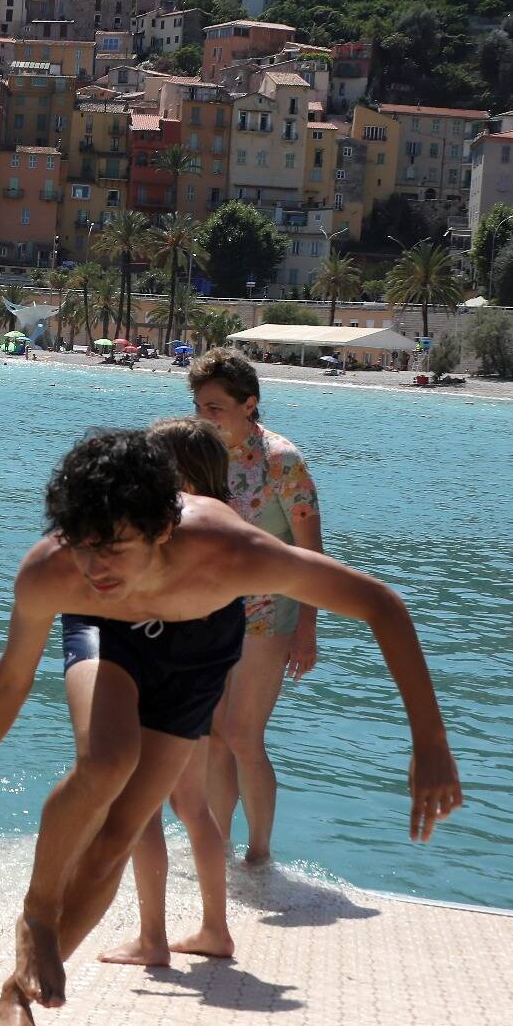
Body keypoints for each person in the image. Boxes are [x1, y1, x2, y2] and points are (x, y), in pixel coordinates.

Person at [0, 429, 461, 1026]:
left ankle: (16, 997)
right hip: (106, 635)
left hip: (198, 654)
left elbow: (380, 604)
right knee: (107, 760)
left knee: (121, 834)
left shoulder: (231, 550)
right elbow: (10, 679)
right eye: (83, 545)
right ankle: (37, 915)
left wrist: (430, 742)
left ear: (161, 529)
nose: (95, 568)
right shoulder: (56, 570)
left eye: (114, 548)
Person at [99, 417, 238, 968]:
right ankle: (214, 928)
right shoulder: (229, 524)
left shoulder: (170, 526)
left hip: (157, 677)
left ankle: (152, 937)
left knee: (143, 808)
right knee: (192, 805)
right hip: (205, 679)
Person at [190, 348, 323, 865]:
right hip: (211, 611)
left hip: (270, 613)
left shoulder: (282, 461)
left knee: (244, 735)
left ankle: (259, 854)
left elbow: (312, 552)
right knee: (214, 735)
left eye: (216, 407)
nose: (205, 417)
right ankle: (216, 847)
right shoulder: (203, 458)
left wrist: (307, 629)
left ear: (250, 404)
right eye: (200, 406)